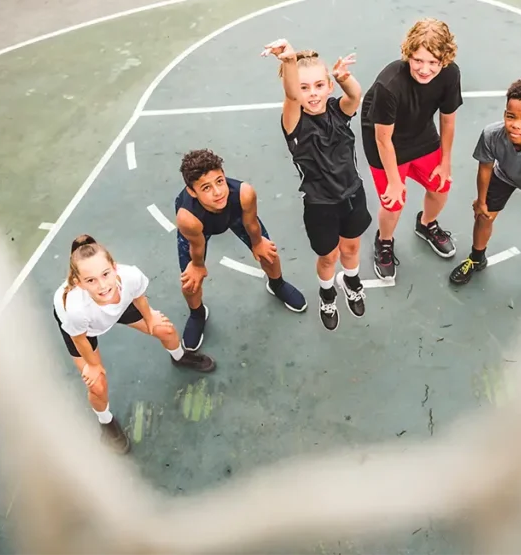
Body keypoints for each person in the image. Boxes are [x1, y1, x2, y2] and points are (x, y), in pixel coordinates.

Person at [53, 235, 216, 455]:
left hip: (119, 308)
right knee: (97, 385)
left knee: (165, 329)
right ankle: (106, 421)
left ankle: (180, 357)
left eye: (105, 274)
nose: (102, 285)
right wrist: (93, 366)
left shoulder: (129, 276)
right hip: (84, 329)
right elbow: (79, 338)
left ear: (114, 267)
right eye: (90, 280)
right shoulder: (74, 309)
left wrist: (149, 319)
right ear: (78, 282)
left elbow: (138, 296)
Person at [261, 38, 370, 331]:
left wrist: (344, 78)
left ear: (329, 87)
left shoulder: (338, 110)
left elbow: (355, 96)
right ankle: (326, 293)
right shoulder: (294, 122)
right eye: (304, 87)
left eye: (319, 85)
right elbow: (292, 97)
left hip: (353, 195)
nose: (312, 93)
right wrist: (288, 61)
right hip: (321, 205)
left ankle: (352, 280)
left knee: (351, 248)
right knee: (328, 256)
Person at [359, 17, 463, 281]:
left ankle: (426, 224)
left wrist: (446, 160)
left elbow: (448, 119)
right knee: (393, 203)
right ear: (408, 54)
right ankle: (384, 242)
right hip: (384, 140)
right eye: (418, 60)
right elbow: (383, 139)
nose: (425, 69)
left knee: (440, 187)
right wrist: (394, 181)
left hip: (420, 132)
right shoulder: (390, 84)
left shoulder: (450, 74)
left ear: (445, 60)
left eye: (433, 62)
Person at [448, 78, 521, 309]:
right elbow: (485, 168)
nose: (516, 124)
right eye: (511, 116)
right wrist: (481, 202)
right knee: (483, 217)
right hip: (505, 175)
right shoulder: (492, 134)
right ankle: (476, 258)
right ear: (504, 114)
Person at [174, 148, 307, 349]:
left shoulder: (244, 193)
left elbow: (251, 224)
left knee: (268, 253)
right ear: (192, 191)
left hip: (235, 215)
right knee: (190, 282)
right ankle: (197, 313)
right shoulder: (187, 218)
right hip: (200, 228)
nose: (218, 192)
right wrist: (198, 266)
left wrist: (257, 243)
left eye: (219, 181)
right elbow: (197, 245)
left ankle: (277, 284)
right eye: (206, 188)